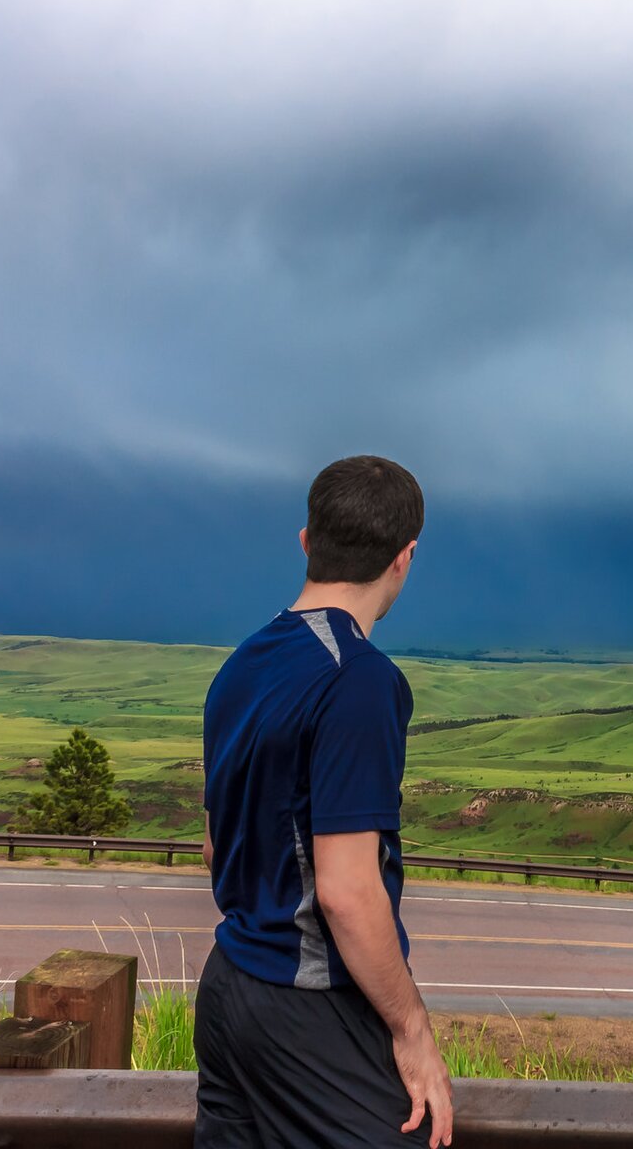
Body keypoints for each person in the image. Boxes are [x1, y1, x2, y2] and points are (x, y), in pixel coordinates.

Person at [195, 455, 452, 1149]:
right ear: (405, 559)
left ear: (307, 541)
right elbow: (345, 890)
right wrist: (412, 1029)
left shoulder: (242, 664)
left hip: (228, 986)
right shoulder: (360, 681)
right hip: (307, 1004)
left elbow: (218, 845)